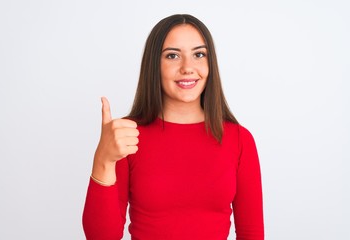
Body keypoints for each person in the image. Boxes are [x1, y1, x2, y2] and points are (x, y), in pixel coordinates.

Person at [83, 14, 264, 240]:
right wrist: (103, 159)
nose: (188, 67)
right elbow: (101, 237)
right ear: (154, 65)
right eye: (172, 56)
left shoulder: (239, 139)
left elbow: (251, 234)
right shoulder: (127, 137)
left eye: (199, 54)